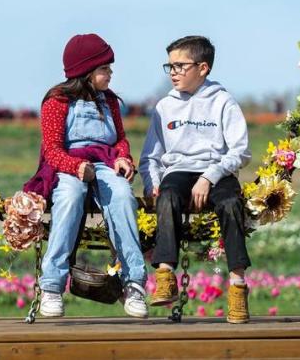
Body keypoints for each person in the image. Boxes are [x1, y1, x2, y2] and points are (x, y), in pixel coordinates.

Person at [23, 33, 148, 318]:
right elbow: (52, 150)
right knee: (70, 196)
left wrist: (123, 158)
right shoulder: (57, 101)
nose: (110, 73)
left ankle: (134, 282)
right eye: (105, 68)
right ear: (86, 71)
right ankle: (52, 284)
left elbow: (120, 139)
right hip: (69, 163)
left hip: (104, 162)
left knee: (122, 196)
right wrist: (76, 168)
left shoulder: (110, 102)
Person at [138, 35, 252, 323]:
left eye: (180, 65)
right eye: (170, 66)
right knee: (168, 196)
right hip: (178, 171)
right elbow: (150, 155)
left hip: (217, 170)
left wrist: (209, 177)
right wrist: (152, 182)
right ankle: (165, 272)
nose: (173, 72)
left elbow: (241, 151)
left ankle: (237, 285)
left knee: (230, 204)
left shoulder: (223, 102)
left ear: (203, 68)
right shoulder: (165, 107)